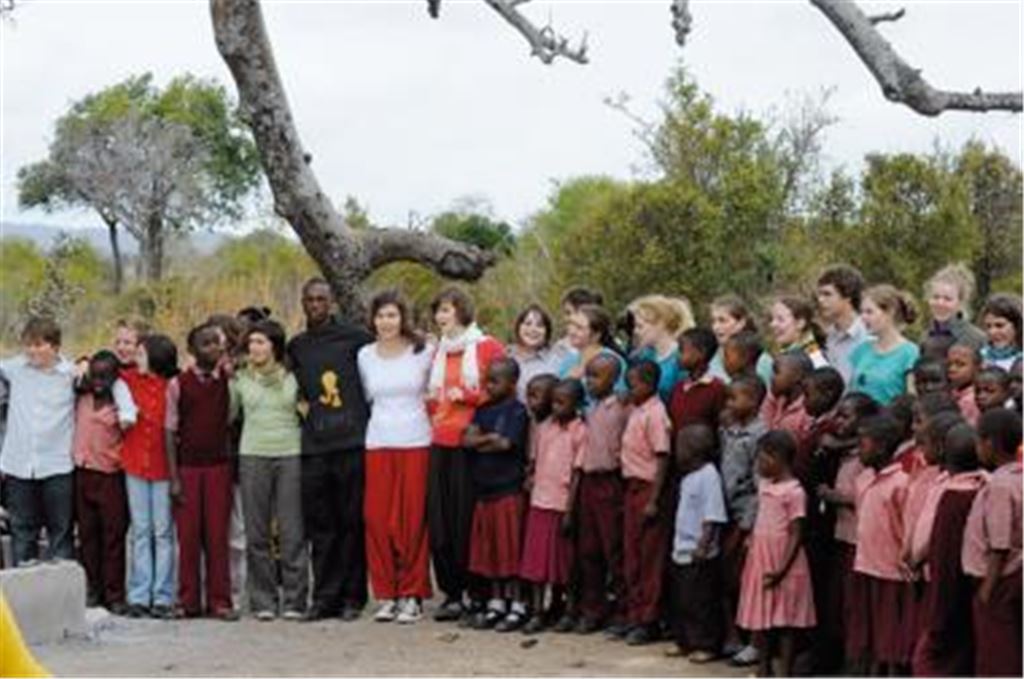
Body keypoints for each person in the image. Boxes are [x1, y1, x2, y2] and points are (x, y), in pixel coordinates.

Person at [287, 278, 373, 621]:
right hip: (315, 447)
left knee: (352, 522)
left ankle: (353, 596)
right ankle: (325, 597)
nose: (315, 305)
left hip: (352, 443)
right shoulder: (298, 346)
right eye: (309, 300)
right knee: (321, 526)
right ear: (303, 303)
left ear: (332, 302)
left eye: (321, 299)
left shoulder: (356, 339)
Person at [425, 286, 506, 622]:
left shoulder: (487, 347)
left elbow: (501, 389)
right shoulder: (437, 352)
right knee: (441, 522)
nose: (442, 316)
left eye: (447, 309)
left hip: (470, 443)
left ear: (462, 311)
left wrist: (468, 396)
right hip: (439, 440)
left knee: (466, 522)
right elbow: (431, 396)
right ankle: (452, 593)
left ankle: (478, 593)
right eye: (439, 311)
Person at [358, 290, 434, 625]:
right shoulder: (365, 355)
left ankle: (412, 595)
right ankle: (386, 594)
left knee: (412, 520)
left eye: (392, 315)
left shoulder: (424, 351)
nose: (386, 322)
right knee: (377, 520)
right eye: (380, 315)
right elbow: (367, 396)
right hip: (378, 442)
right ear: (372, 320)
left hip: (416, 441)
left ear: (402, 317)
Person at [231, 320, 308, 621]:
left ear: (275, 345)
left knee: (292, 531)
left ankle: (295, 600)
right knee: (257, 532)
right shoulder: (239, 379)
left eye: (261, 342)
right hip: (252, 455)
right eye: (251, 343)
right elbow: (229, 415)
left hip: (290, 455)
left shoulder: (294, 377)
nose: (255, 348)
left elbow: (305, 411)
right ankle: (263, 600)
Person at [165, 323, 237, 621]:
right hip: (188, 468)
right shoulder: (178, 384)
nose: (214, 348)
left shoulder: (228, 380)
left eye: (217, 343)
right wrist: (174, 478)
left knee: (218, 536)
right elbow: (169, 431)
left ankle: (220, 601)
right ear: (193, 351)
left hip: (219, 466)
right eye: (206, 344)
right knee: (189, 536)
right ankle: (188, 601)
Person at [735, 430, 816, 678]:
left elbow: (795, 533)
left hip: (783, 560)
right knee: (764, 618)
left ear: (778, 458)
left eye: (762, 459)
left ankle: (785, 672)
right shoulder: (765, 486)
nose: (758, 464)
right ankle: (763, 669)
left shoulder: (794, 492)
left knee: (785, 620)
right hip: (761, 556)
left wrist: (782, 569)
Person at [908, 423, 985, 676]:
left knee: (931, 655)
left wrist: (914, 559)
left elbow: (929, 541)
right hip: (972, 583)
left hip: (944, 584)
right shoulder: (984, 486)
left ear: (942, 450)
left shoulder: (951, 495)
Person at [0, 318, 77, 567]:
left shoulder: (70, 374)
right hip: (18, 465)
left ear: (55, 346)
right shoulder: (15, 369)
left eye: (39, 345)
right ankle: (24, 595)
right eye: (28, 345)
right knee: (22, 532)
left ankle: (61, 594)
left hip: (57, 465)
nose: (32, 351)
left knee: (60, 531)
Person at [814, 392, 879, 673]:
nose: (838, 422)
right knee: (837, 604)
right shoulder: (843, 453)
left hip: (858, 542)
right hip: (841, 537)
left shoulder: (866, 457)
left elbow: (864, 497)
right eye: (837, 415)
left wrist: (833, 496)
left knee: (855, 607)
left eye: (846, 416)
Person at [463, 359, 530, 630]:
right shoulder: (483, 410)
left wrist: (486, 440)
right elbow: (466, 441)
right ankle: (496, 602)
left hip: (508, 490)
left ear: (512, 384)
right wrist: (488, 439)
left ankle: (517, 603)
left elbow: (505, 444)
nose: (488, 386)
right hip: (484, 490)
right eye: (486, 380)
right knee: (489, 550)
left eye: (495, 381)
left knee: (510, 549)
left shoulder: (517, 411)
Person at [519, 378, 585, 635]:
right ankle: (537, 611)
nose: (556, 407)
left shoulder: (580, 431)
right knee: (537, 562)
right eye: (554, 401)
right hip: (539, 501)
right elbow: (536, 460)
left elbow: (578, 473)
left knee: (562, 563)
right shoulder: (544, 427)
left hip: (561, 504)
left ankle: (565, 609)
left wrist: (570, 510)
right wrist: (530, 476)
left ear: (577, 404)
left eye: (562, 402)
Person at [72, 350, 135, 614]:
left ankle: (115, 594)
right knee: (87, 535)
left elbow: (130, 422)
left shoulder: (120, 403)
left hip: (110, 475)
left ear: (115, 378)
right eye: (94, 375)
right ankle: (93, 590)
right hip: (82, 472)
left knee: (112, 537)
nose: (98, 382)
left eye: (104, 377)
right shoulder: (81, 397)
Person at [120, 333, 179, 619]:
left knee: (163, 531)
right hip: (135, 465)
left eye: (141, 354)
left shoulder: (172, 386)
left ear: (156, 357)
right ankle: (139, 593)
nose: (136, 358)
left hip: (164, 468)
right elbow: (105, 367)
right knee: (140, 530)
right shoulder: (129, 379)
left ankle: (163, 595)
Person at [961, 407, 1022, 678]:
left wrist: (987, 590)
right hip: (1012, 572)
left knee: (997, 647)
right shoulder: (1016, 477)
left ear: (988, 444)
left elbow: (1000, 544)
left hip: (998, 577)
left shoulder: (1000, 486)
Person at [571, 353, 629, 634]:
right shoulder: (589, 409)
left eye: (597, 376)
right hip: (588, 483)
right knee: (588, 550)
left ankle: (623, 611)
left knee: (613, 549)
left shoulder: (621, 407)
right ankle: (592, 609)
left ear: (614, 378)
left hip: (611, 482)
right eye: (588, 375)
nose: (589, 381)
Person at [619, 360, 673, 646]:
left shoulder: (655, 412)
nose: (630, 388)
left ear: (651, 385)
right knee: (633, 555)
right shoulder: (636, 410)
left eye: (635, 383)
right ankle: (634, 614)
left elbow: (662, 455)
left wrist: (654, 499)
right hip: (631, 487)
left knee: (650, 557)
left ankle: (649, 619)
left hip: (648, 488)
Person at [851, 414, 910, 674]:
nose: (857, 450)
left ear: (882, 447)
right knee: (870, 629)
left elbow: (905, 526)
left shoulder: (901, 483)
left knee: (890, 632)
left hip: (890, 569)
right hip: (865, 563)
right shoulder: (863, 479)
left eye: (863, 444)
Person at [718, 375, 767, 667]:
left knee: (746, 579)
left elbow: (760, 486)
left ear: (753, 401)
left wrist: (747, 525)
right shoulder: (730, 430)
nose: (729, 404)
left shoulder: (760, 435)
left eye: (734, 398)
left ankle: (754, 642)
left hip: (745, 516)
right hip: (724, 512)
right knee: (726, 578)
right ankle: (732, 635)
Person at [667, 424, 727, 663]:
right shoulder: (688, 477)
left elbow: (712, 516)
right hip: (680, 549)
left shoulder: (709, 476)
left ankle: (707, 644)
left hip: (698, 552)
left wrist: (704, 545)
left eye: (680, 446)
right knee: (681, 600)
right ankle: (684, 640)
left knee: (701, 602)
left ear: (694, 449)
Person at [849, 285, 920, 405]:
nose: (863, 317)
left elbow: (912, 398)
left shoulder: (910, 353)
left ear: (889, 312)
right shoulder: (861, 350)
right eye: (862, 312)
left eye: (869, 312)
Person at [558, 304, 626, 408]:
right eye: (571, 325)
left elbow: (621, 398)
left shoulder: (612, 361)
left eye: (579, 328)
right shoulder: (569, 358)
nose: (571, 331)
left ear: (596, 335)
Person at [629, 295, 694, 403]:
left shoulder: (680, 358)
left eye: (640, 326)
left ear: (661, 324)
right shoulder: (643, 355)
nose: (636, 331)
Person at [816, 265, 870, 385]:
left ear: (847, 297)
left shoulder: (868, 336)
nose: (820, 300)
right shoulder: (827, 337)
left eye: (827, 294)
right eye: (819, 294)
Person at [668, 327, 726, 432]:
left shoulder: (716, 388)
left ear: (701, 353)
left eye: (682, 350)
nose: (677, 355)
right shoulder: (679, 387)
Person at [707, 295, 773, 384]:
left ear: (741, 323)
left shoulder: (761, 361)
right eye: (713, 321)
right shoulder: (709, 357)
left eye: (722, 321)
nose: (716, 327)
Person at [759, 350, 814, 456]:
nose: (771, 377)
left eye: (776, 372)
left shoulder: (806, 412)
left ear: (798, 376)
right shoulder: (777, 399)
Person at [921, 263, 987, 350]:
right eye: (935, 297)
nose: (940, 303)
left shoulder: (975, 339)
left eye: (947, 299)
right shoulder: (925, 338)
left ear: (960, 303)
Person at [507, 304, 564, 402]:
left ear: (547, 331)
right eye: (528, 323)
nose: (533, 329)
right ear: (518, 327)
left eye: (540, 325)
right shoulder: (506, 356)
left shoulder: (558, 359)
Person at [767, 296, 829, 370]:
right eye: (772, 319)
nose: (773, 325)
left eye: (780, 319)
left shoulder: (814, 357)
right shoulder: (787, 353)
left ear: (800, 323)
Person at [979, 293, 1022, 371]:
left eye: (999, 325)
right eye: (988, 326)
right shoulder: (980, 357)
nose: (992, 332)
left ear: (1017, 326)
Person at [947, 342, 982, 426]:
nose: (952, 369)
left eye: (960, 365)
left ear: (977, 368)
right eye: (949, 364)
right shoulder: (951, 392)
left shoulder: (974, 399)